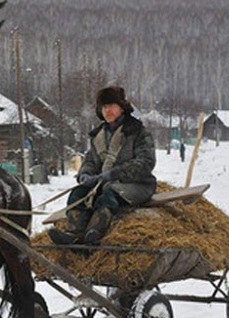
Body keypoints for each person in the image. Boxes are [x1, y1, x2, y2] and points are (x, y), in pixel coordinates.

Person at [48, 86, 157, 245]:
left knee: (109, 192)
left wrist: (114, 174)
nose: (107, 110)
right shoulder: (98, 135)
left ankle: (94, 233)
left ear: (122, 108)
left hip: (137, 184)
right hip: (105, 182)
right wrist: (85, 174)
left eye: (111, 105)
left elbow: (146, 162)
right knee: (77, 194)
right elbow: (90, 160)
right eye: (104, 106)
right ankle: (74, 233)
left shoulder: (138, 131)